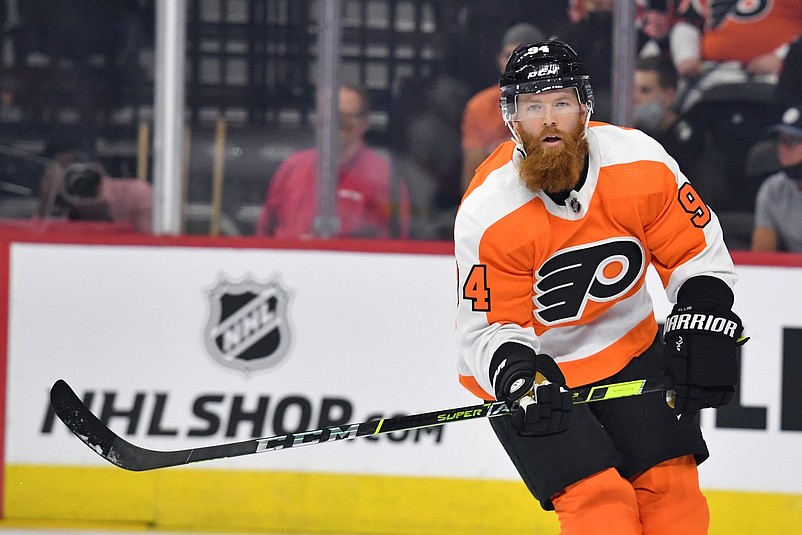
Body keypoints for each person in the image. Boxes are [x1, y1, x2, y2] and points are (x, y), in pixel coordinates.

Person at [455, 40, 745, 533]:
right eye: (534, 106)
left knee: (674, 500)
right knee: (602, 506)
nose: (549, 119)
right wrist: (522, 380)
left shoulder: (639, 163)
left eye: (561, 103)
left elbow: (694, 253)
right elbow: (489, 329)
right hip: (540, 381)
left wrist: (704, 310)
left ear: (585, 108)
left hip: (630, 350)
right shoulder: (489, 212)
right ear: (513, 119)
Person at [256, 84, 408, 239]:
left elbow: (393, 247)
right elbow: (266, 230)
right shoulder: (293, 167)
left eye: (342, 118)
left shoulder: (382, 178)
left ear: (363, 124)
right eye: (327, 116)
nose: (333, 125)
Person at [670, 0, 802, 111]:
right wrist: (686, 56)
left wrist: (784, 57)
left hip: (771, 78)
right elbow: (686, 23)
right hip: (709, 73)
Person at [460, 22, 545, 192]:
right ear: (499, 61)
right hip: (494, 197)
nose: (515, 65)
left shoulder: (563, 104)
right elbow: (472, 177)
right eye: (508, 57)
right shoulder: (480, 106)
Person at [37, 147, 153, 233]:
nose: (81, 183)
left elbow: (151, 249)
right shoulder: (59, 206)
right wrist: (47, 198)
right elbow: (38, 236)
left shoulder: (135, 195)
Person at [751, 103, 802, 252]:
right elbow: (762, 260)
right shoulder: (773, 190)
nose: (782, 149)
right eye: (781, 140)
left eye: (791, 142)